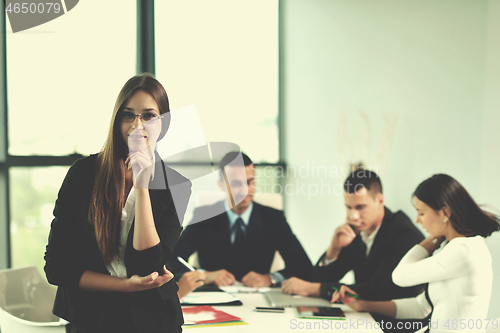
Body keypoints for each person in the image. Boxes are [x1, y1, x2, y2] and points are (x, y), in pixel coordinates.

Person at [44, 73, 191, 333]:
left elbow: (148, 265)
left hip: (154, 320)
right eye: (128, 114)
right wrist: (126, 285)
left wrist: (143, 186)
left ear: (163, 124)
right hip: (91, 318)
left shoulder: (177, 185)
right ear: (116, 120)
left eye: (148, 115)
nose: (137, 124)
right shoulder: (83, 174)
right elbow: (57, 268)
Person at [334, 174, 500, 333]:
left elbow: (399, 276)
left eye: (421, 213)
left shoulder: (463, 250)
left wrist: (429, 242)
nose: (417, 220)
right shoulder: (452, 248)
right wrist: (364, 305)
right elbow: (420, 307)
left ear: (444, 213)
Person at [169, 152, 312, 296]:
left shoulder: (273, 218)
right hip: (214, 298)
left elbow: (303, 267)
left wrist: (272, 278)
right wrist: (205, 275)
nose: (245, 191)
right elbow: (172, 261)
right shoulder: (204, 216)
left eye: (250, 182)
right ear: (221, 185)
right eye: (236, 184)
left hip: (259, 299)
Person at [282, 169, 424, 301]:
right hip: (365, 316)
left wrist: (311, 289)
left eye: (360, 207)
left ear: (380, 200)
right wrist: (334, 250)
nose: (353, 216)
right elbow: (318, 279)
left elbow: (376, 290)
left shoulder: (403, 235)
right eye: (348, 207)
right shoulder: (357, 231)